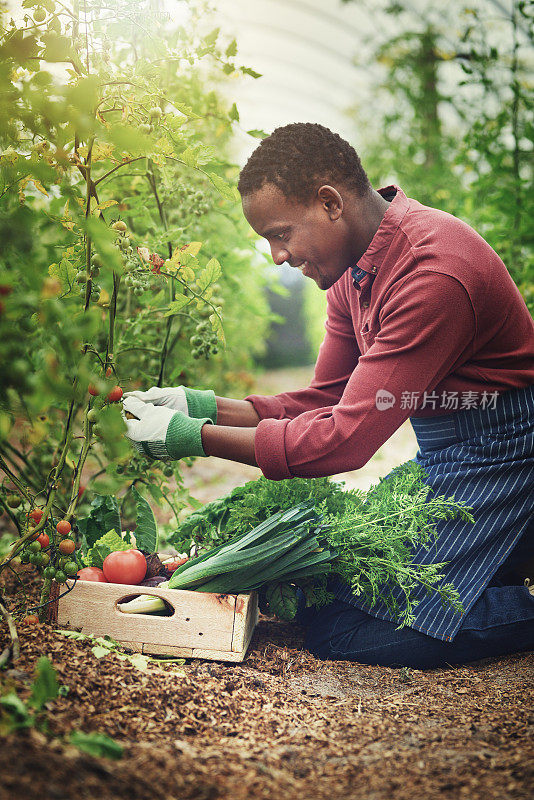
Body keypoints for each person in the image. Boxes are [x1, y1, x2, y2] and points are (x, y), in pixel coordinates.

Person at [123, 123, 534, 669]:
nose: (276, 255)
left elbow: (344, 441)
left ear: (329, 203)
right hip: (450, 459)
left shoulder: (432, 274)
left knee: (342, 628)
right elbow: (328, 397)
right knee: (327, 591)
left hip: (508, 457)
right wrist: (197, 405)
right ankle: (502, 565)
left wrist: (192, 438)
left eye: (281, 233)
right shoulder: (350, 271)